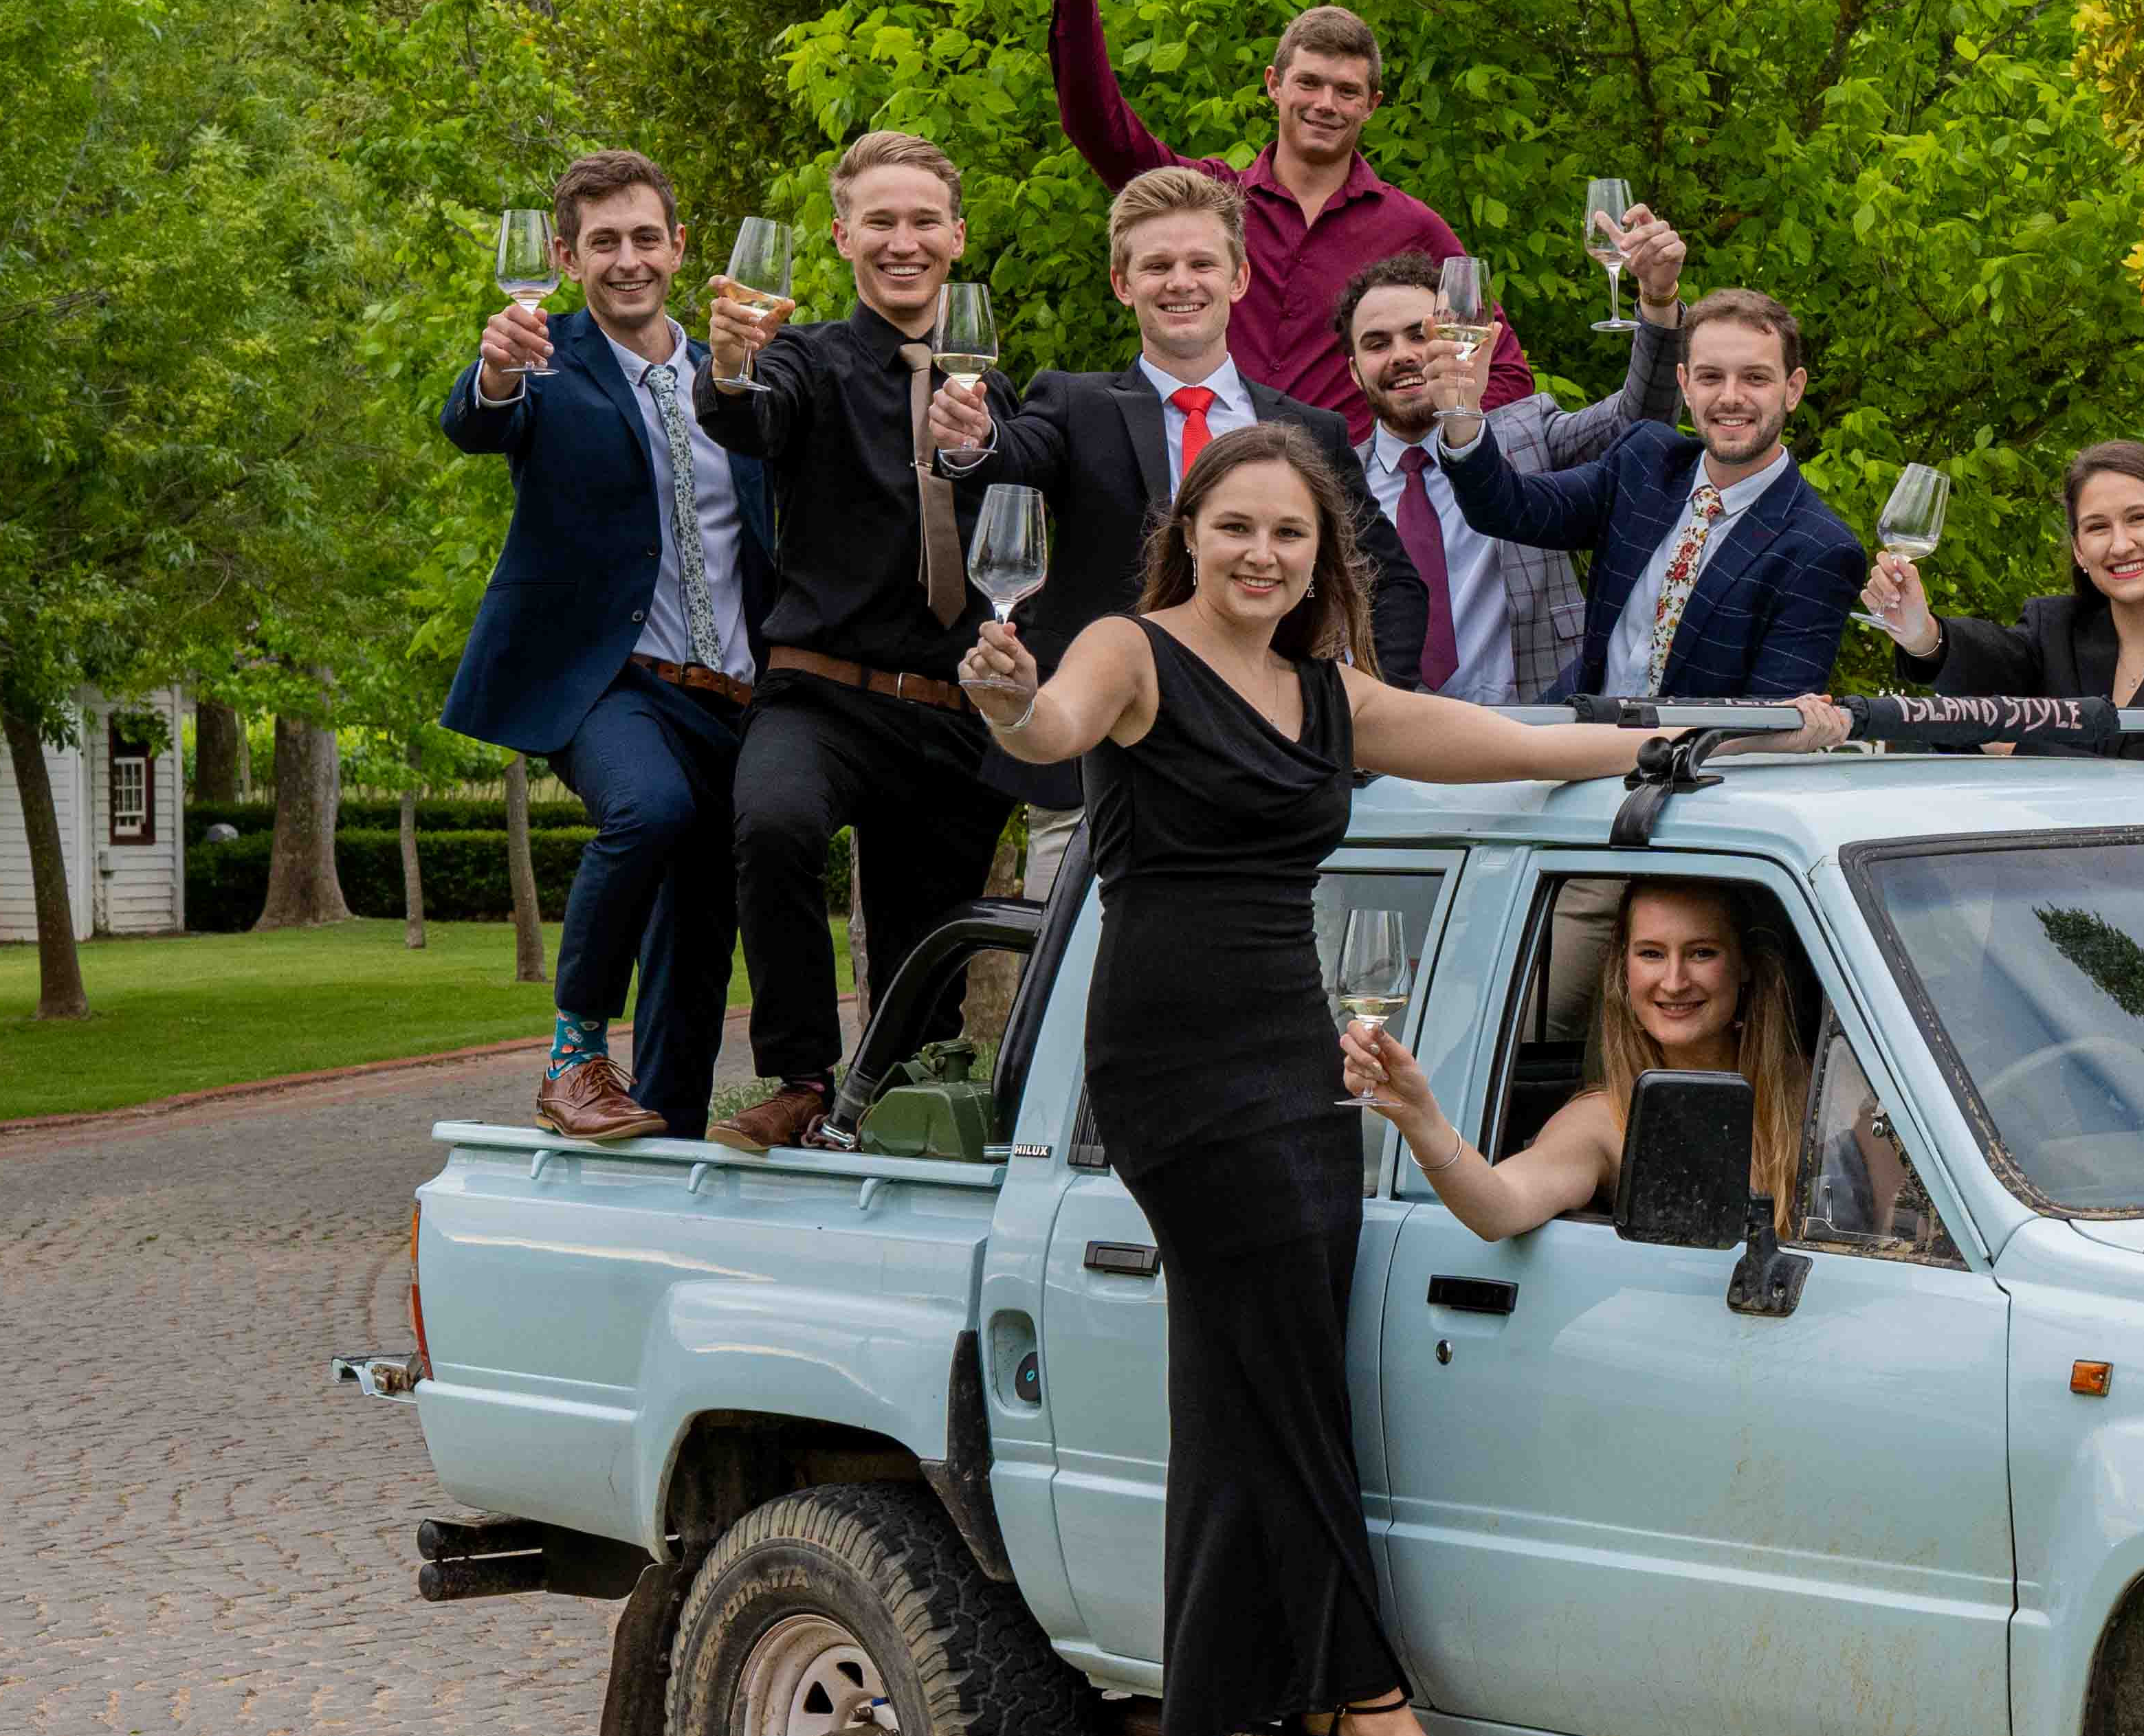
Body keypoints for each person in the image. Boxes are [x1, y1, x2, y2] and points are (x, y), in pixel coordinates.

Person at [953, 423, 1840, 1736]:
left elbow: (1526, 741)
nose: (1262, 553)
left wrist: (1736, 732)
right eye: (1237, 526)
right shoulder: (1129, 651)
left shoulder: (1328, 693)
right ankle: (1370, 1712)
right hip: (1173, 1063)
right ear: (1189, 532)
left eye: (1290, 534)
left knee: (1263, 1373)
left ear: (1319, 555)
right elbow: (1047, 729)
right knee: (1285, 1375)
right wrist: (1006, 697)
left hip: (1295, 1055)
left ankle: (1274, 1692)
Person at [698, 131, 1055, 1154]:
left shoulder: (996, 388)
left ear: (956, 235)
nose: (903, 242)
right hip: (823, 694)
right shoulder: (804, 358)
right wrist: (728, 367)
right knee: (772, 827)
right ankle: (800, 1077)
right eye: (880, 222)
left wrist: (980, 449)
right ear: (845, 236)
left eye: (922, 221)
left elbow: (1033, 518)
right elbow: (749, 419)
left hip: (950, 718)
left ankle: (892, 1122)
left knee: (923, 972)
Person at [437, 148, 774, 1141]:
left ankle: (661, 1129)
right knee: (648, 809)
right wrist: (495, 370)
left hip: (736, 694)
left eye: (643, 238)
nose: (626, 260)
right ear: (566, 257)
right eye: (602, 244)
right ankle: (574, 1055)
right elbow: (475, 419)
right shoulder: (543, 358)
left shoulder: (737, 369)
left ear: (678, 245)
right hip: (609, 682)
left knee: (701, 932)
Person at [929, 166, 1428, 735]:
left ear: (1238, 278)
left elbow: (1390, 583)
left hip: (1267, 745)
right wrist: (976, 440)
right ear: (1123, 284)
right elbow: (1012, 456)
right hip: (1094, 744)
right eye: (1157, 266)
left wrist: (1355, 714)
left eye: (1201, 264)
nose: (1180, 282)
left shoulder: (1314, 432)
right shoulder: (1073, 403)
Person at [1035, 0, 1529, 438]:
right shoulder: (1210, 201)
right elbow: (1098, 128)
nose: (1325, 104)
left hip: (1346, 497)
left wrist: (1401, 440)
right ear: (1274, 85)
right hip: (1204, 469)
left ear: (1372, 105)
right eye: (1309, 83)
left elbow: (1504, 375)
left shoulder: (1413, 230)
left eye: (1347, 91)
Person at [1425, 289, 1866, 704]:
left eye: (1755, 378)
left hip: (1688, 777)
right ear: (1685, 384)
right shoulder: (1646, 463)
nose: (1731, 398)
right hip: (1569, 738)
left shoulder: (1820, 549)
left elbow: (1765, 724)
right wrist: (1462, 410)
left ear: (1793, 389)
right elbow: (1509, 509)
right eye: (1711, 377)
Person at [1343, 876, 1811, 1238]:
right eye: (1650, 953)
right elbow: (1498, 1207)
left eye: (1701, 952)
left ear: (1744, 963)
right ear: (1623, 969)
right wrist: (1420, 1119)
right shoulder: (1605, 1118)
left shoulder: (1814, 1089)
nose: (1673, 981)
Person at [1345, 238, 1685, 703]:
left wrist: (1659, 301)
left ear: (1459, 337)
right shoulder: (1335, 483)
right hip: (1393, 737)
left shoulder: (1526, 434)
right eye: (1377, 344)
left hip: (1538, 721)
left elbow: (1640, 423)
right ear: (1354, 371)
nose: (1402, 355)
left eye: (1420, 334)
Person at [1858, 440, 2144, 761]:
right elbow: (1987, 665)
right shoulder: (2053, 628)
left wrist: (2017, 750)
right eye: (2098, 527)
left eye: (2138, 519)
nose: (2121, 545)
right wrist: (1923, 635)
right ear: (2080, 551)